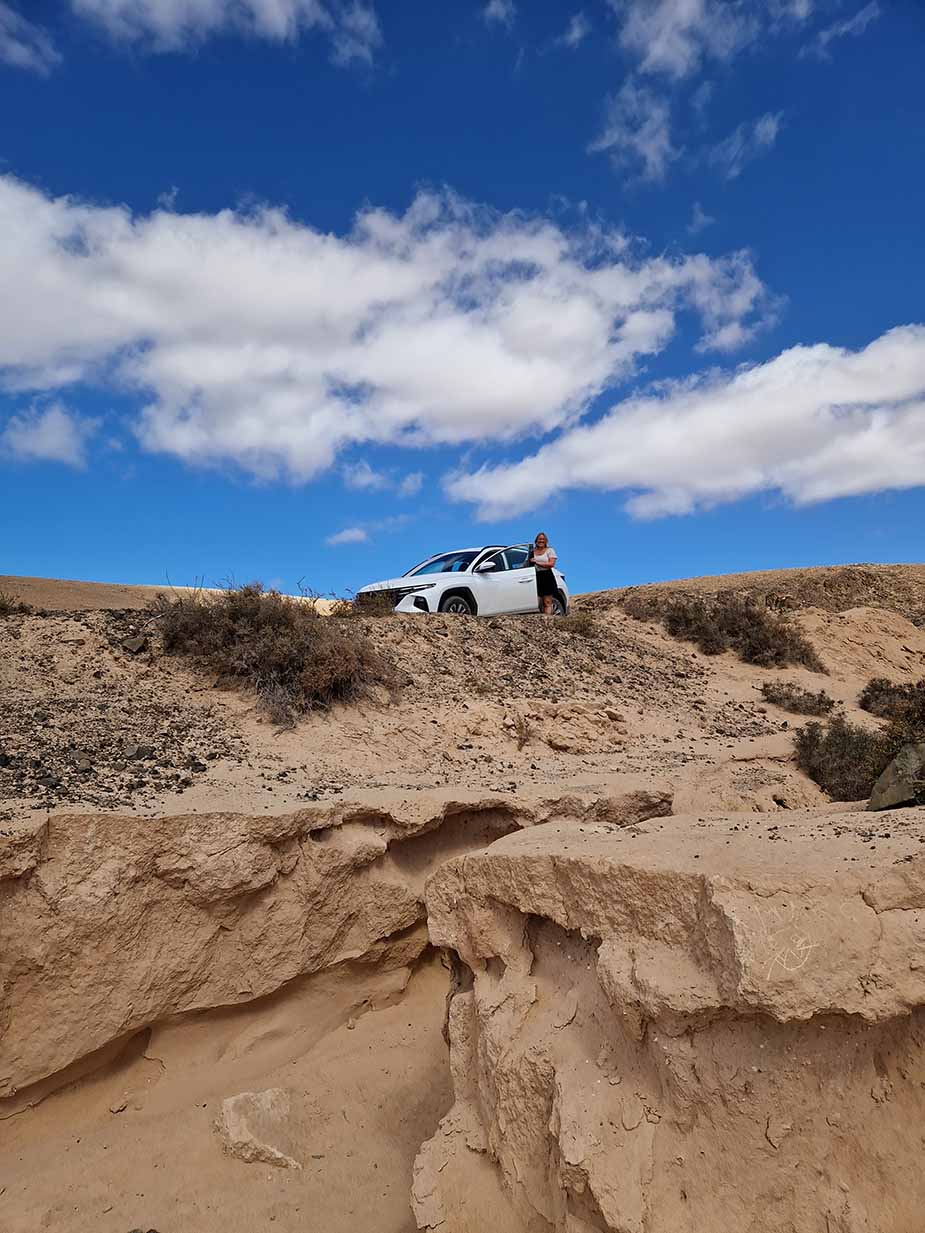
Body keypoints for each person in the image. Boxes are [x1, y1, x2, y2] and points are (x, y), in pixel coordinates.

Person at [527, 532, 558, 615]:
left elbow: (551, 564)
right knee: (536, 602)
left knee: (547, 602)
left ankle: (548, 621)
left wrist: (537, 562)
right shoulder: (532, 551)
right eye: (539, 539)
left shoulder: (550, 550)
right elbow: (528, 563)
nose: (541, 541)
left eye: (543, 539)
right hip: (535, 576)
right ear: (536, 541)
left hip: (547, 576)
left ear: (546, 541)